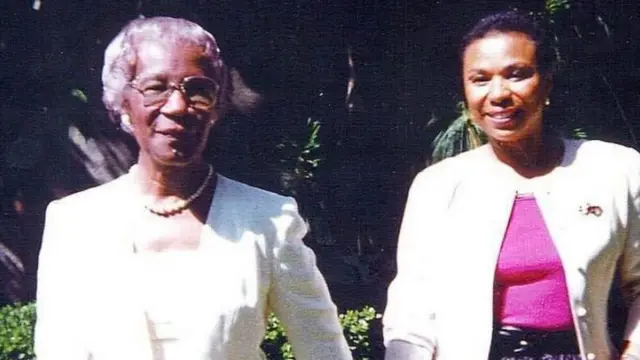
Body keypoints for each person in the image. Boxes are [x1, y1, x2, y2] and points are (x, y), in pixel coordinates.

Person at [34, 16, 351, 360]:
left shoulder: (268, 222)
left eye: (198, 89)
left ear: (216, 106)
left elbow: (325, 350)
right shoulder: (75, 224)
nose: (177, 106)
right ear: (122, 103)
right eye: (155, 87)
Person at [383, 10, 640, 360]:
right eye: (480, 79)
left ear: (547, 82)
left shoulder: (616, 170)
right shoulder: (437, 186)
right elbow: (412, 307)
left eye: (517, 75)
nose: (498, 94)